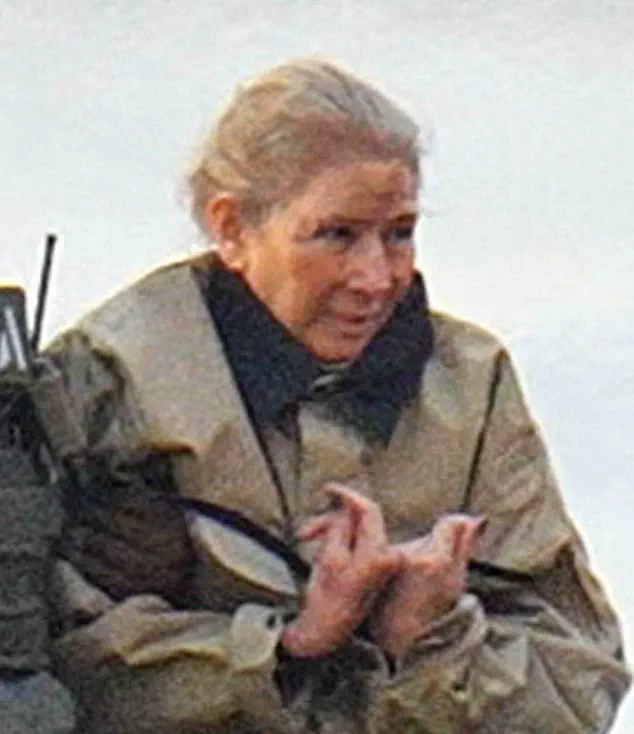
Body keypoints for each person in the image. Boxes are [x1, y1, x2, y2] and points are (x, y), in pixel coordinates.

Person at [43, 58, 629, 733]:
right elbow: (51, 665)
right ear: (231, 228)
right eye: (337, 235)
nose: (376, 278)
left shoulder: (469, 386)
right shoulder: (112, 379)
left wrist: (424, 640)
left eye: (400, 233)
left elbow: (579, 680)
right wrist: (288, 645)